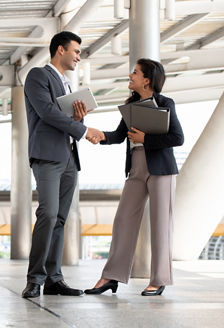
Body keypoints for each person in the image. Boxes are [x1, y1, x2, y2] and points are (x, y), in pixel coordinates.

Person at [84, 58, 184, 296]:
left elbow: (177, 138)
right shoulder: (130, 105)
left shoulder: (165, 103)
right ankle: (111, 276)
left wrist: (146, 139)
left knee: (161, 225)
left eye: (135, 73)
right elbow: (119, 136)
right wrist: (100, 136)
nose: (131, 75)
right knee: (123, 221)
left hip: (161, 169)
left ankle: (159, 280)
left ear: (147, 79)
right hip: (136, 168)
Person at [22, 31, 103, 298]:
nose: (79, 56)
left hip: (69, 157)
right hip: (47, 155)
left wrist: (79, 120)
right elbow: (47, 113)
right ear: (60, 50)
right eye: (76, 51)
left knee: (59, 219)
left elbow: (65, 121)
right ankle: (35, 279)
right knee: (47, 213)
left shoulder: (68, 84)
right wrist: (84, 130)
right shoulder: (38, 76)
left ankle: (54, 278)